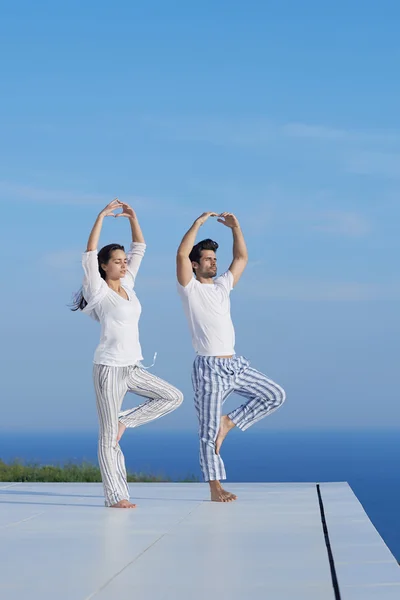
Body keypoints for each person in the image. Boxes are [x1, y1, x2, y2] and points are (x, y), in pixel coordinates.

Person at [72, 198, 183, 508]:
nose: (123, 264)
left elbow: (140, 247)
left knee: (173, 397)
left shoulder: (129, 286)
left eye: (124, 260)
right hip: (108, 370)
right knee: (107, 440)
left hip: (132, 368)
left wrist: (133, 217)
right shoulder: (98, 291)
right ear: (104, 266)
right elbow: (88, 253)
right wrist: (101, 217)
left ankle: (124, 421)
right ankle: (116, 496)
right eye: (117, 261)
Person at [176, 211, 286, 502]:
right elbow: (180, 253)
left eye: (214, 258)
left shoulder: (223, 286)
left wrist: (236, 228)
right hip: (209, 369)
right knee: (207, 431)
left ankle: (229, 422)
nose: (214, 262)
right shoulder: (190, 289)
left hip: (235, 364)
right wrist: (198, 224)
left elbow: (241, 259)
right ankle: (215, 488)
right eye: (208, 259)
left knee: (274, 395)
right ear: (195, 265)